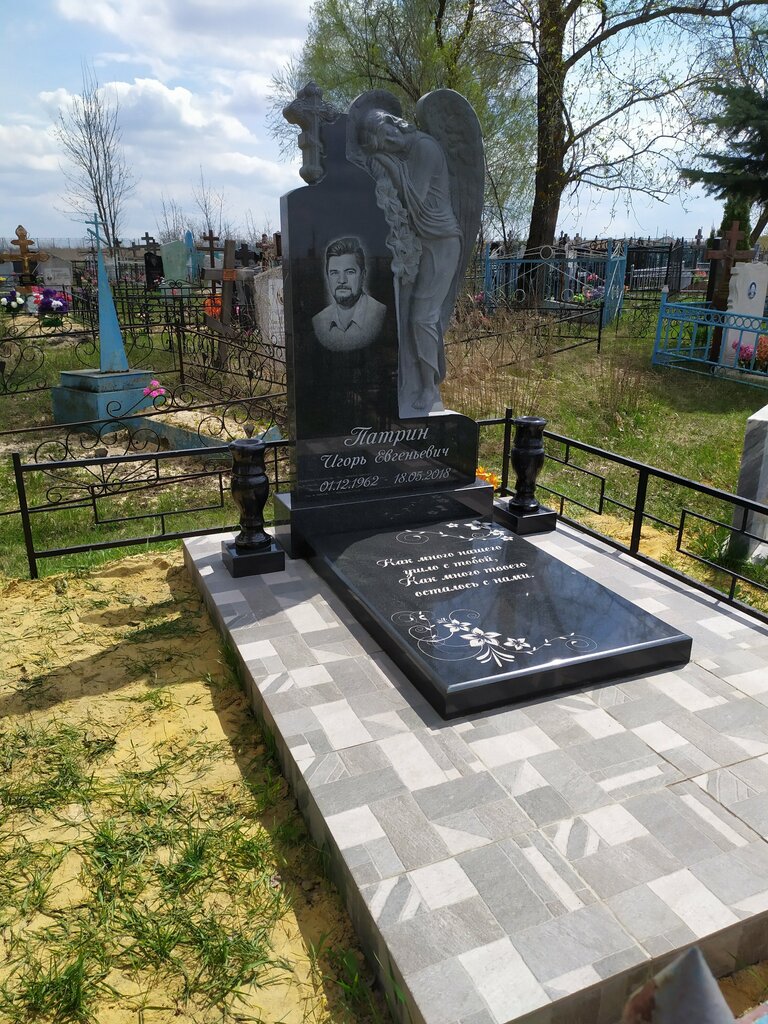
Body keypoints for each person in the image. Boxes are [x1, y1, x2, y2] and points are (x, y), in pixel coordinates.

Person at [359, 108, 462, 415]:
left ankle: (429, 388)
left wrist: (386, 162)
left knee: (422, 317)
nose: (390, 141)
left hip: (441, 241)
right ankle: (413, 384)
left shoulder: (424, 146)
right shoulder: (408, 152)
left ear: (395, 124)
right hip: (420, 242)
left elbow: (412, 197)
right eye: (383, 143)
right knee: (410, 317)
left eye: (388, 133)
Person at [312, 237, 386, 351]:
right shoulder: (318, 321)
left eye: (350, 272)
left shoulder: (381, 314)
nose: (342, 280)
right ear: (327, 276)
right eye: (334, 273)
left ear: (363, 275)